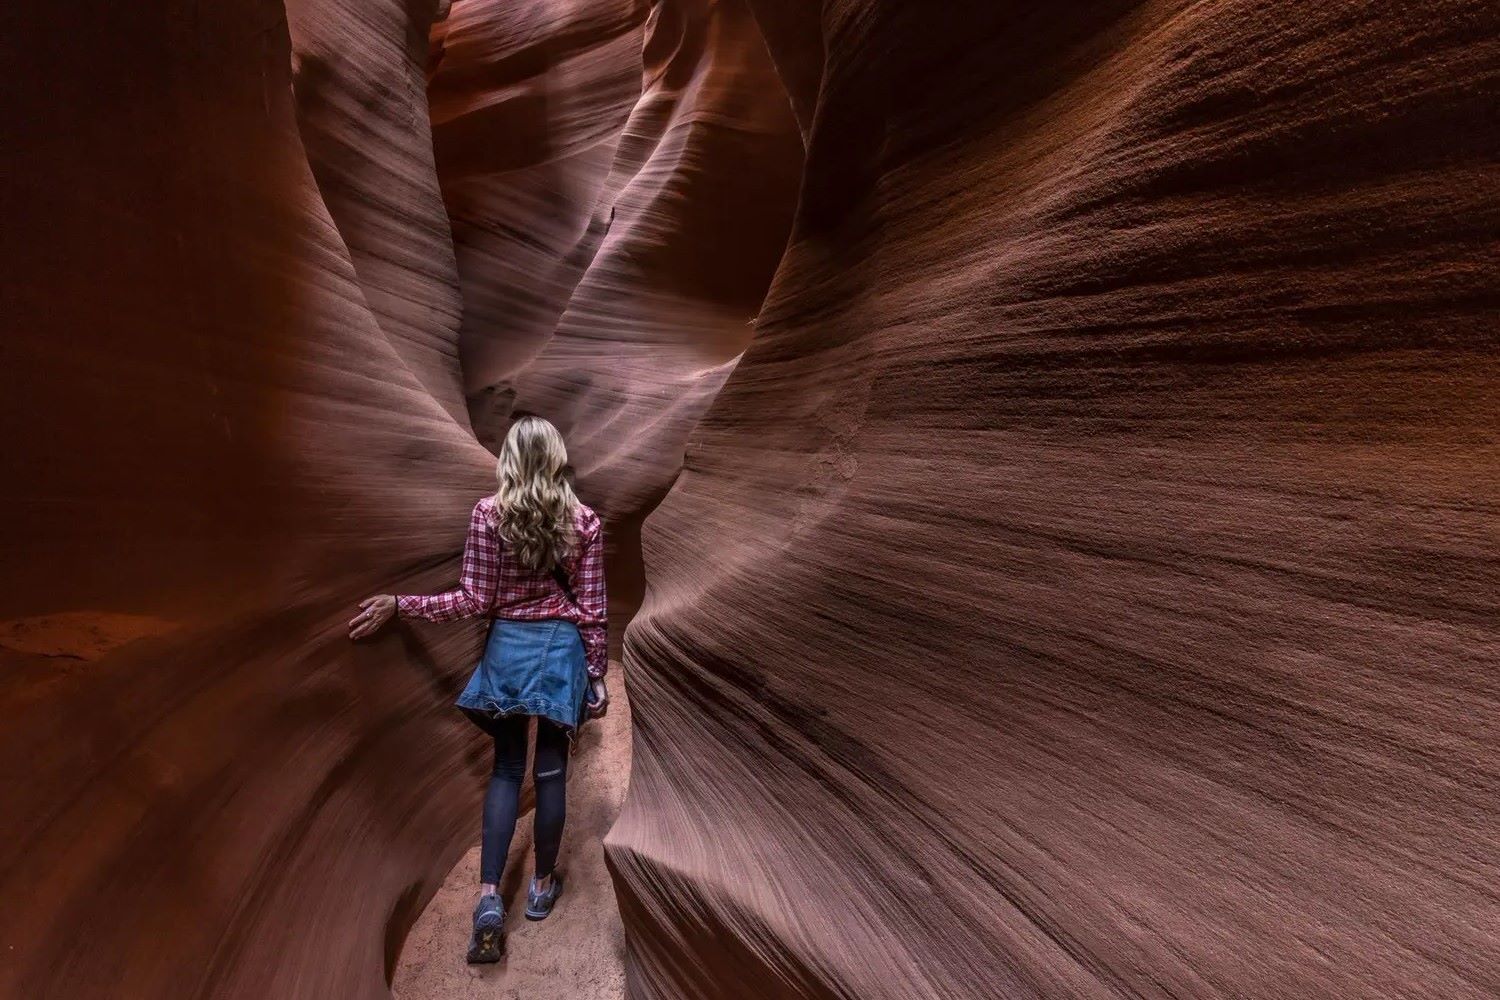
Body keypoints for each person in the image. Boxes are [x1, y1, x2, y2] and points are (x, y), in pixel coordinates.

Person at [348, 415, 609, 964]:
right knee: (552, 769)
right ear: (556, 458)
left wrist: (402, 604)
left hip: (507, 649)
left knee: (507, 769)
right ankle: (540, 888)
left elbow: (472, 600)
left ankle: (489, 896)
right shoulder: (584, 521)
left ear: (509, 460)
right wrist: (596, 674)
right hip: (561, 651)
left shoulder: (488, 516)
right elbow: (591, 611)